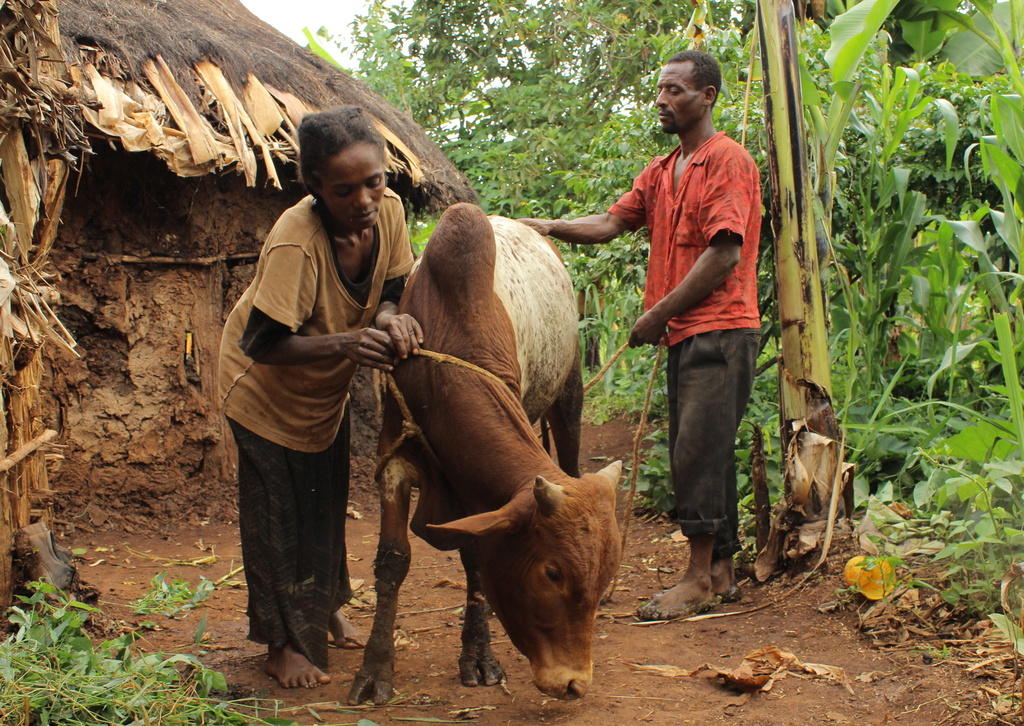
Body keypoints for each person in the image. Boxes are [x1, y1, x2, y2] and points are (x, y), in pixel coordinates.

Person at [520, 50, 761, 620]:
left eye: (675, 90)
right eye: (660, 90)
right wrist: (545, 228)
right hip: (687, 331)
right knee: (704, 451)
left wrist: (657, 314)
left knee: (695, 453)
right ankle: (721, 570)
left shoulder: (727, 161)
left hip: (721, 328)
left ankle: (699, 578)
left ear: (707, 96)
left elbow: (724, 253)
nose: (662, 100)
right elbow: (608, 223)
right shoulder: (660, 171)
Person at [218, 106, 422, 688]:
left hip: (320, 392)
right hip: (260, 389)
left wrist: (388, 320)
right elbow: (263, 343)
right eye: (344, 189)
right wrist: (352, 341)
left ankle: (325, 605)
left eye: (374, 181)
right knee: (277, 516)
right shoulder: (296, 242)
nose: (364, 199)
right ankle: (280, 643)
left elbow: (392, 286)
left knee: (325, 499)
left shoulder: (392, 214)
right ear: (315, 190)